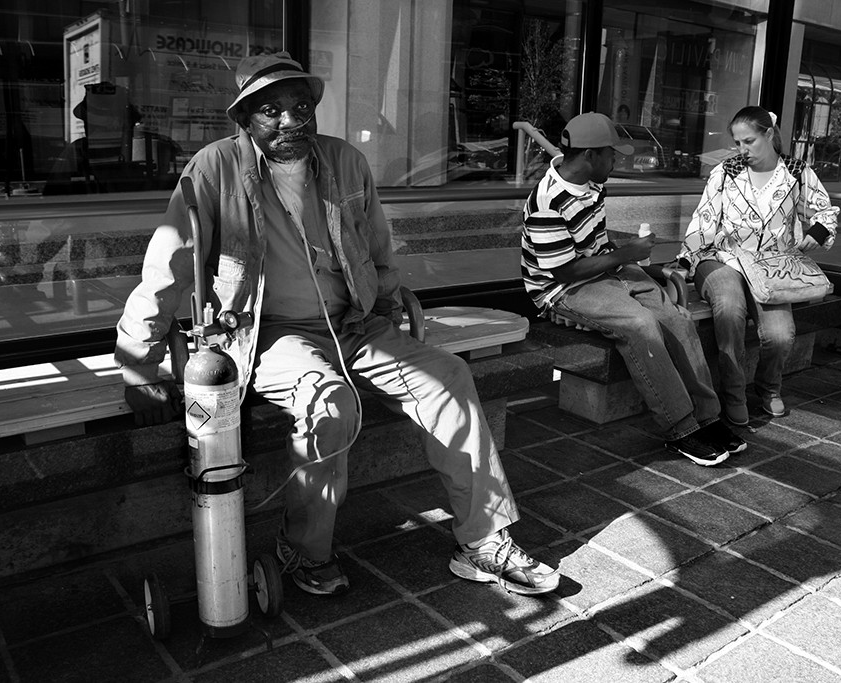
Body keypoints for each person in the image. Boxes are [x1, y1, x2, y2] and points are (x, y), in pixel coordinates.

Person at [114, 52, 559, 598]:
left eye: (300, 107)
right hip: (269, 332)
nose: (290, 121)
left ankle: (484, 540)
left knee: (450, 379)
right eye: (270, 110)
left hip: (354, 321)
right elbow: (169, 262)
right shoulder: (213, 169)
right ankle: (302, 549)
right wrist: (139, 359)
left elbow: (376, 244)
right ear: (244, 118)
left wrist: (389, 303)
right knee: (330, 405)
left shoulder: (344, 161)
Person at [521, 112, 744, 467]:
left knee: (679, 320)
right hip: (563, 289)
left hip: (606, 270)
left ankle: (707, 417)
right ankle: (681, 429)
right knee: (641, 326)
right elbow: (564, 271)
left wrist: (637, 265)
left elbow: (596, 243)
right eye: (612, 153)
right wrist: (630, 253)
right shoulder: (546, 204)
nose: (617, 159)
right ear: (591, 155)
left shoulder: (592, 185)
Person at [676, 106, 839, 424]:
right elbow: (704, 221)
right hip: (722, 258)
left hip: (772, 266)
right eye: (737, 143)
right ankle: (733, 394)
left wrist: (816, 233)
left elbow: (825, 212)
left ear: (768, 135)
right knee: (729, 307)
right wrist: (685, 259)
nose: (741, 149)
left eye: (748, 141)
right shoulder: (725, 172)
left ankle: (769, 388)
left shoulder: (797, 172)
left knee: (779, 335)